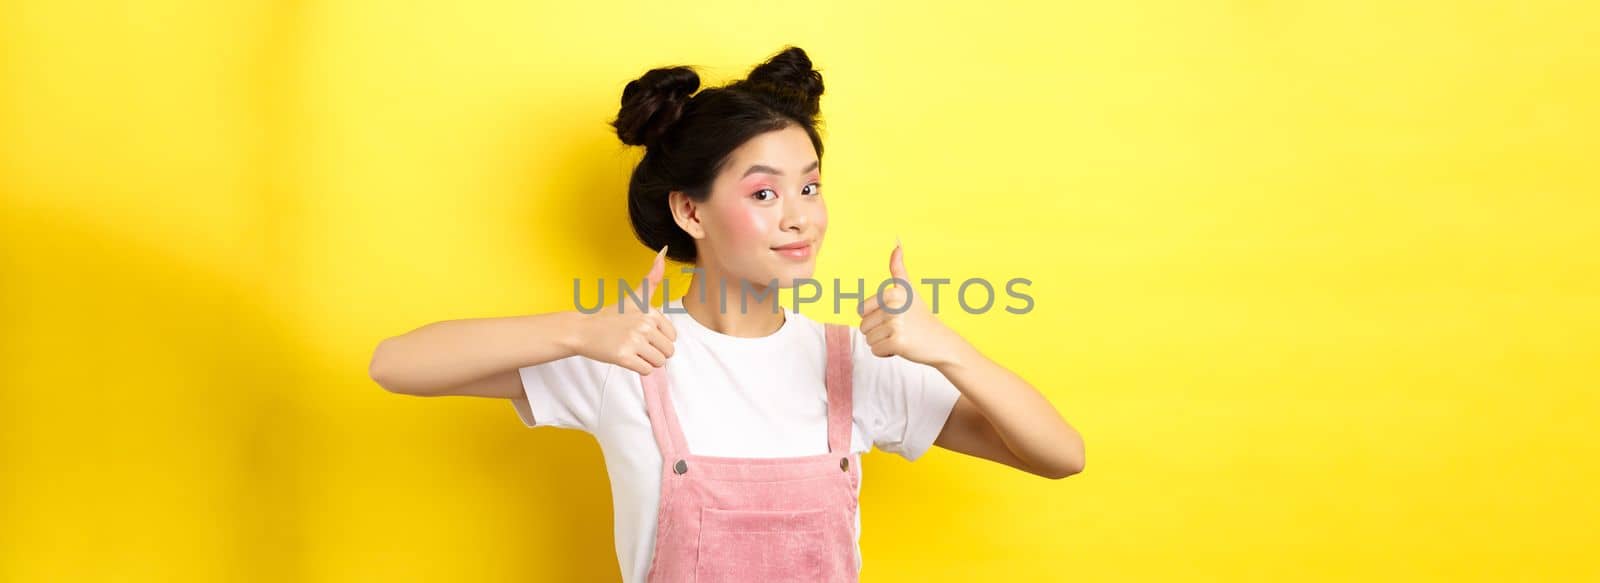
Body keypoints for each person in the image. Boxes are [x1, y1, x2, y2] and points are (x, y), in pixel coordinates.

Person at [369, 46, 1085, 583]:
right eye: (765, 194)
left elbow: (1060, 455)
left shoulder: (853, 363)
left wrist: (948, 348)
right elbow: (395, 364)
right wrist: (581, 330)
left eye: (810, 187)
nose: (800, 218)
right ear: (690, 210)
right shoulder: (628, 354)